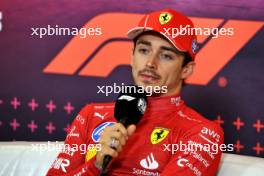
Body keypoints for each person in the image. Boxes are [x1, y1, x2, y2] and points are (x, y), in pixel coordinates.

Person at [46, 8, 224, 176]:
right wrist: (96, 165)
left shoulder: (202, 132)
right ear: (132, 56)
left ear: (186, 69)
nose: (150, 63)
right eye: (144, 50)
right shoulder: (92, 115)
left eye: (166, 55)